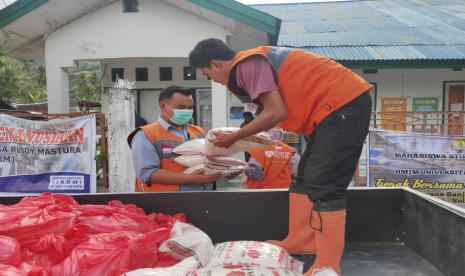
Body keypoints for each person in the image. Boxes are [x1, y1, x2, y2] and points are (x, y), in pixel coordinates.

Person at [189, 38, 372, 275]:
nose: (213, 80)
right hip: (329, 113)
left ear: (216, 64)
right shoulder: (252, 63)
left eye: (208, 74)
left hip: (343, 105)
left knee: (325, 185)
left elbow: (276, 112)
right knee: (305, 176)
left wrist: (235, 137)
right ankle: (301, 239)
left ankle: (328, 264)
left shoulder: (245, 65)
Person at [127, 85, 222, 192]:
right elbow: (147, 173)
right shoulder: (145, 135)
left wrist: (227, 169)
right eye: (181, 107)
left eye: (190, 108)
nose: (187, 111)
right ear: (163, 106)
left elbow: (209, 160)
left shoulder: (198, 131)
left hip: (205, 197)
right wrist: (190, 178)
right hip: (168, 201)